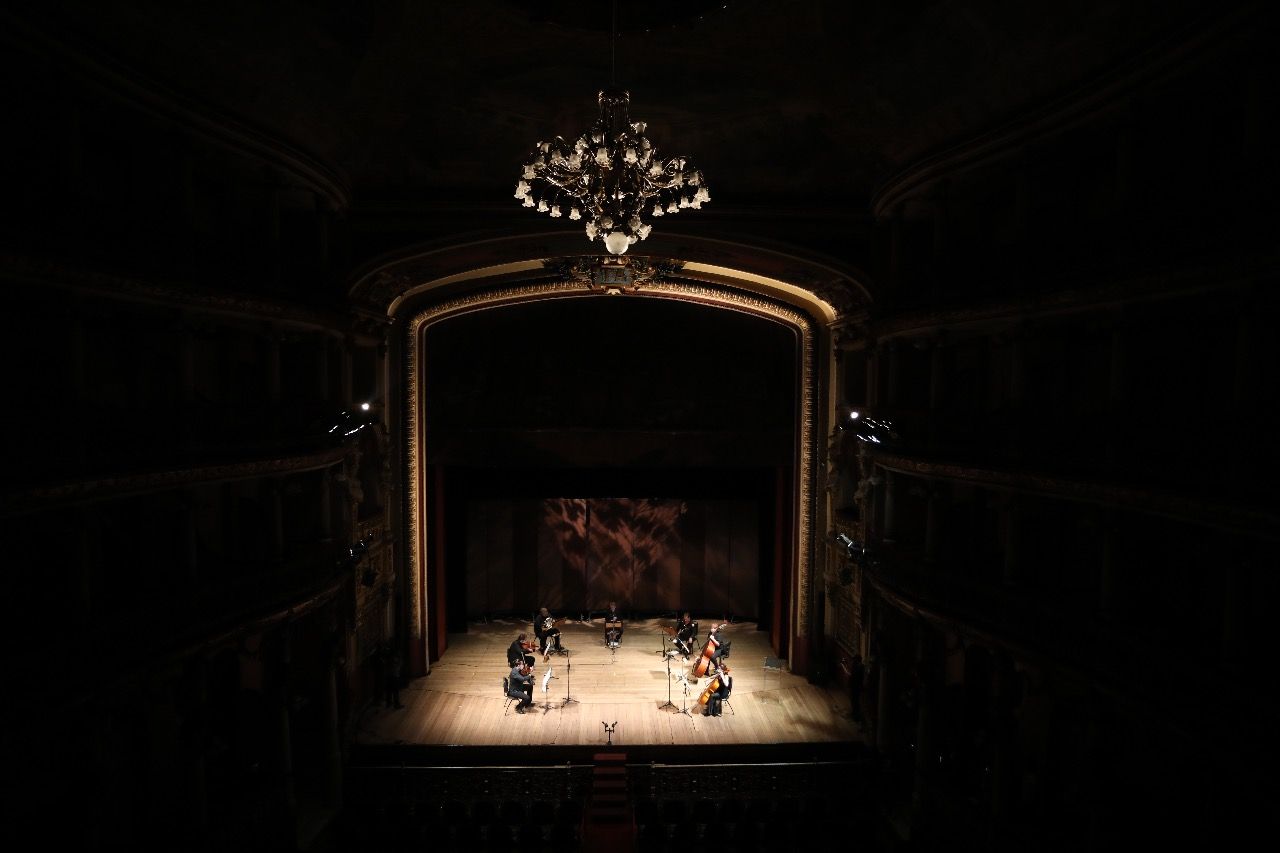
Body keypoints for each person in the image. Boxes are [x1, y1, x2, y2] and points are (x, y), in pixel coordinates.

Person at [848, 654, 866, 726]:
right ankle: (855, 715)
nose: (853, 661)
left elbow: (854, 676)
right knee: (854, 701)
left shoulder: (859, 667)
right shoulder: (860, 666)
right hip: (856, 686)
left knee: (855, 702)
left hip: (856, 687)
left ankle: (856, 716)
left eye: (854, 659)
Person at [385, 645, 403, 709]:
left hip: (388, 675)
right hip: (394, 675)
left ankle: (388, 703)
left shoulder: (388, 656)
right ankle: (396, 704)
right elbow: (398, 665)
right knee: (395, 690)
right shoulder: (395, 658)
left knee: (389, 690)